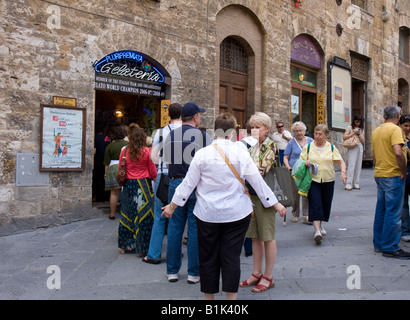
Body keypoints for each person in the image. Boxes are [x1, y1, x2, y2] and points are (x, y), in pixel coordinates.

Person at [162, 113, 287, 300]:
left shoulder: (202, 154)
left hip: (207, 214)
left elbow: (188, 184)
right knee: (231, 258)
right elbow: (257, 182)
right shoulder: (241, 153)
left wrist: (172, 206)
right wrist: (276, 203)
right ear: (232, 132)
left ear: (216, 130)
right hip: (237, 214)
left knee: (208, 257)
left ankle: (209, 300)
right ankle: (231, 301)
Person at [162, 102, 212, 283]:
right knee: (194, 228)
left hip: (176, 183)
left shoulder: (171, 135)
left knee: (175, 227)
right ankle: (193, 273)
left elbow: (167, 164)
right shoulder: (204, 137)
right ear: (196, 117)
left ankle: (172, 271)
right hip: (197, 186)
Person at [239, 112, 281, 293]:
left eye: (258, 127)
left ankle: (268, 275)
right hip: (250, 195)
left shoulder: (271, 145)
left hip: (266, 196)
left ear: (267, 129)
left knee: (268, 236)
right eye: (253, 127)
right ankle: (256, 272)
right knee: (254, 235)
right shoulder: (250, 144)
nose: (254, 130)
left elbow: (261, 170)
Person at [143, 103, 182, 264]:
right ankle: (174, 253)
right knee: (177, 218)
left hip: (162, 176)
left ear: (169, 114)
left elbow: (153, 156)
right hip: (180, 176)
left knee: (159, 216)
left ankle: (153, 254)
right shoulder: (187, 132)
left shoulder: (160, 132)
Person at [371, 105, 410, 259]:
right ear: (398, 115)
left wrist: (379, 167)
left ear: (383, 116)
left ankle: (379, 243)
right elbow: (398, 152)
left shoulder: (376, 131)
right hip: (393, 174)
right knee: (393, 212)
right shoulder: (395, 130)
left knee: (381, 209)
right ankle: (390, 246)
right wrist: (403, 170)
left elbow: (373, 155)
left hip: (380, 173)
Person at [299, 124, 347, 245]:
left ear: (326, 135)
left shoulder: (331, 148)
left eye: (320, 134)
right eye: (315, 133)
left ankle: (320, 225)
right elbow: (300, 161)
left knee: (325, 205)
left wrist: (343, 173)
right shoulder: (308, 147)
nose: (317, 136)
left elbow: (340, 161)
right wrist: (306, 163)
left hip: (328, 180)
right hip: (313, 180)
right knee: (315, 203)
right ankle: (317, 231)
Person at [117, 128, 157, 255]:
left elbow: (120, 168)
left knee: (127, 213)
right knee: (144, 216)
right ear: (144, 138)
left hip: (129, 185)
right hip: (143, 185)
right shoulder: (147, 151)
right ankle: (142, 248)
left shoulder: (125, 151)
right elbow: (153, 171)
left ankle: (125, 246)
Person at [283, 121, 313, 223]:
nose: (299, 133)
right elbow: (286, 156)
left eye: (300, 130)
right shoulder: (291, 143)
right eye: (296, 131)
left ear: (304, 130)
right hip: (294, 171)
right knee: (294, 194)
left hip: (307, 171)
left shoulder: (311, 141)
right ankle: (295, 213)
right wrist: (288, 167)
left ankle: (306, 215)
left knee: (305, 192)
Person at [103, 126, 128, 220]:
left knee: (114, 193)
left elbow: (106, 162)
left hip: (113, 168)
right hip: (125, 167)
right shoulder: (128, 144)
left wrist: (105, 173)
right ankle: (126, 213)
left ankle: (112, 214)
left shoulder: (110, 146)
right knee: (126, 191)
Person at [343, 115, 365, 190]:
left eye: (359, 122)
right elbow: (344, 137)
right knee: (351, 165)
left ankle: (356, 183)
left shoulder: (361, 129)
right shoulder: (349, 127)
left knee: (358, 165)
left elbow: (363, 141)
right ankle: (349, 183)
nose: (358, 123)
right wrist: (353, 133)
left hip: (359, 146)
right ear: (354, 121)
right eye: (356, 122)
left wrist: (359, 133)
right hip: (352, 146)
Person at [93, 123, 111, 202]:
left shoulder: (95, 138)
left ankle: (99, 198)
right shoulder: (108, 138)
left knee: (98, 180)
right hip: (107, 162)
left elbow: (94, 151)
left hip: (98, 162)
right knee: (105, 179)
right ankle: (106, 197)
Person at [400, 114, 410, 242]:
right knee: (403, 204)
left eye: (409, 126)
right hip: (402, 174)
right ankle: (405, 230)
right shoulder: (398, 137)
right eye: (405, 125)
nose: (407, 128)